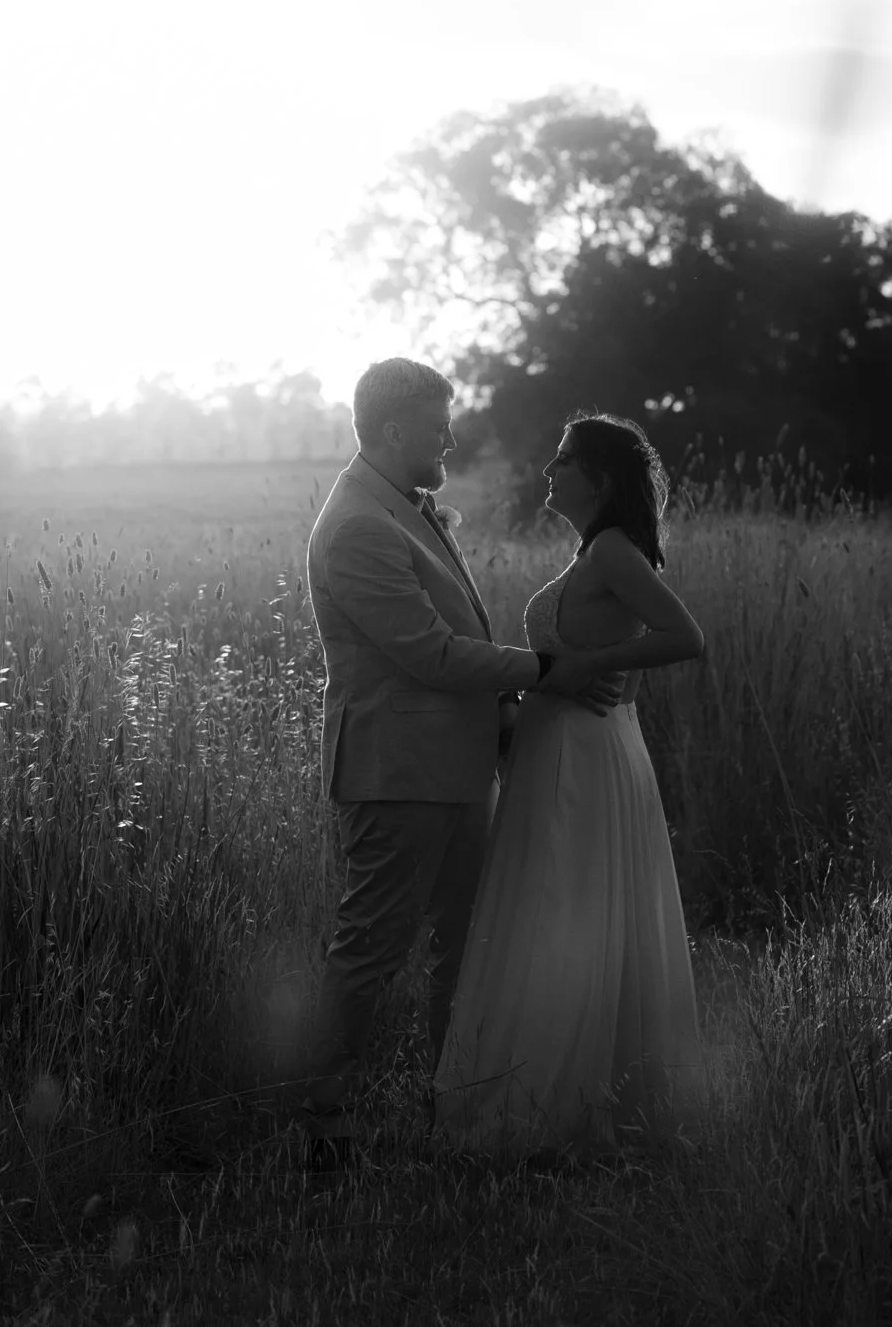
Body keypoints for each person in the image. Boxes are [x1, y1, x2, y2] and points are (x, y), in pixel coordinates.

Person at [302, 359, 626, 1170]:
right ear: (393, 431)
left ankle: (453, 1098)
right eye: (439, 424)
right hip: (396, 771)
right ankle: (322, 1121)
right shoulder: (357, 527)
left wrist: (509, 715)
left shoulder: (406, 512)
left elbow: (452, 636)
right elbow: (430, 654)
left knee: (463, 941)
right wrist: (548, 670)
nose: (451, 436)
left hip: (454, 764)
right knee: (372, 946)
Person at [432, 413, 705, 1153]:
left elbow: (684, 637)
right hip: (558, 743)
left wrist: (584, 668)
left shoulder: (614, 551)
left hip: (586, 751)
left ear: (601, 478)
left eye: (563, 460)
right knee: (555, 904)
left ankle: (562, 1102)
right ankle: (544, 1084)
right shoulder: (592, 551)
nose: (548, 471)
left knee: (566, 904)